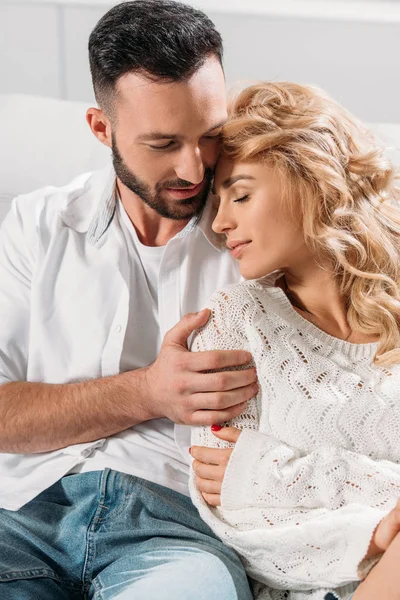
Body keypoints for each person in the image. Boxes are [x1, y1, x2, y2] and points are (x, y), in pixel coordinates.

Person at [0, 1, 258, 598]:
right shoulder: (38, 224)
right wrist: (149, 392)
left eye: (211, 136)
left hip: (174, 529)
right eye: (163, 143)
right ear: (101, 128)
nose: (194, 167)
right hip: (24, 515)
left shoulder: (260, 233)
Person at [189, 81, 400, 600]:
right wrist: (374, 535)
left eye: (240, 194)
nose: (220, 223)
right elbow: (234, 523)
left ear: (311, 179)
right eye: (218, 202)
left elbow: (249, 482)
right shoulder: (235, 321)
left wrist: (286, 475)